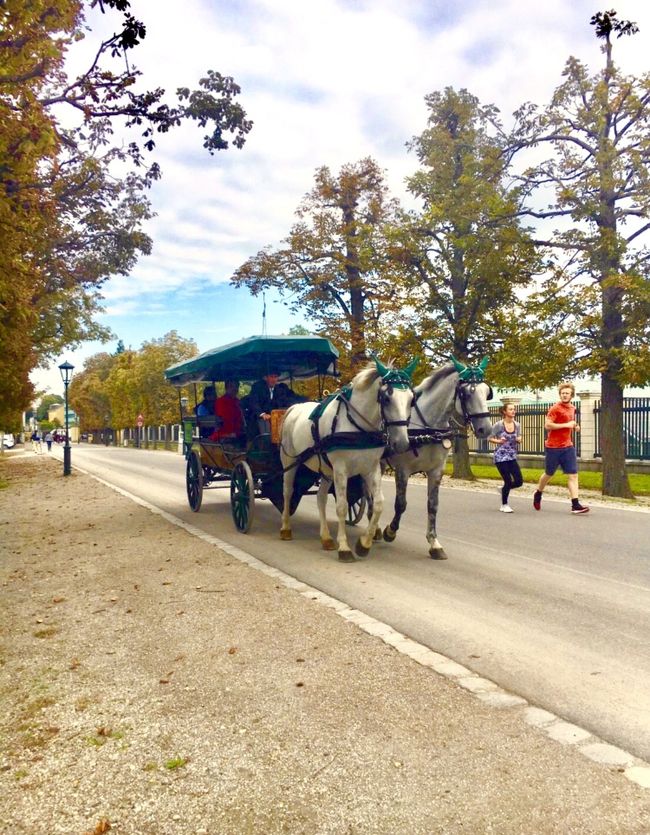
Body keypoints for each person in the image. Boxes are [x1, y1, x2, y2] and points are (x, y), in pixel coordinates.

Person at [533, 382, 589, 514]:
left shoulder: (572, 408)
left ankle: (575, 504)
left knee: (573, 475)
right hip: (553, 447)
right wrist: (566, 425)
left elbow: (570, 423)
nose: (565, 395)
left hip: (568, 446)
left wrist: (575, 426)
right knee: (549, 473)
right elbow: (548, 425)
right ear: (560, 394)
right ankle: (538, 492)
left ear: (571, 395)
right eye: (563, 393)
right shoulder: (555, 408)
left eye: (567, 393)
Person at [488, 403, 523, 513]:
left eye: (514, 409)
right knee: (507, 480)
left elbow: (520, 436)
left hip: (512, 456)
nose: (513, 411)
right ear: (504, 412)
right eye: (511, 409)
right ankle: (504, 505)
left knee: (519, 481)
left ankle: (504, 489)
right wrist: (498, 441)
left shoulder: (517, 425)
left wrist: (519, 439)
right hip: (501, 456)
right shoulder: (498, 425)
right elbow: (489, 437)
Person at [248, 370, 297, 434]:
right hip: (259, 419)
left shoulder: (280, 390)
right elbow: (253, 402)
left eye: (275, 377)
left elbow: (286, 401)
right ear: (265, 378)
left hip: (275, 419)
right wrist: (262, 414)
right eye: (271, 377)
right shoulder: (257, 388)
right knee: (264, 428)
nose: (273, 379)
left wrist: (296, 406)